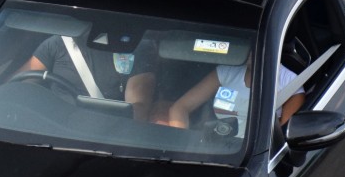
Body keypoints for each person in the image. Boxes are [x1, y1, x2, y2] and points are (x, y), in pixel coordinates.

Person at [19, 32, 156, 120]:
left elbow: (138, 110)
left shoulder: (136, 49)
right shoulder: (56, 44)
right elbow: (17, 86)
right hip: (53, 128)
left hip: (102, 135)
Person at [161, 55, 305, 136]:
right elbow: (179, 108)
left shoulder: (290, 83)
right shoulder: (227, 71)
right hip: (214, 145)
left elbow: (282, 137)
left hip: (253, 159)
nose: (250, 53)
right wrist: (180, 145)